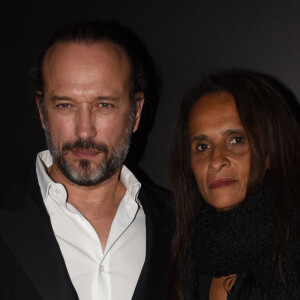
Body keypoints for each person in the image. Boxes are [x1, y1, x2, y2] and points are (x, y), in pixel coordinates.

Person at [0, 21, 172, 300]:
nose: (84, 130)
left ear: (136, 113)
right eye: (65, 105)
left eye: (103, 105)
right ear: (43, 113)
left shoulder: (182, 228)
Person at [169, 71, 300, 299]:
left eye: (236, 140)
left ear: (270, 150)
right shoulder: (186, 251)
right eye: (202, 146)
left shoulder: (292, 246)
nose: (216, 161)